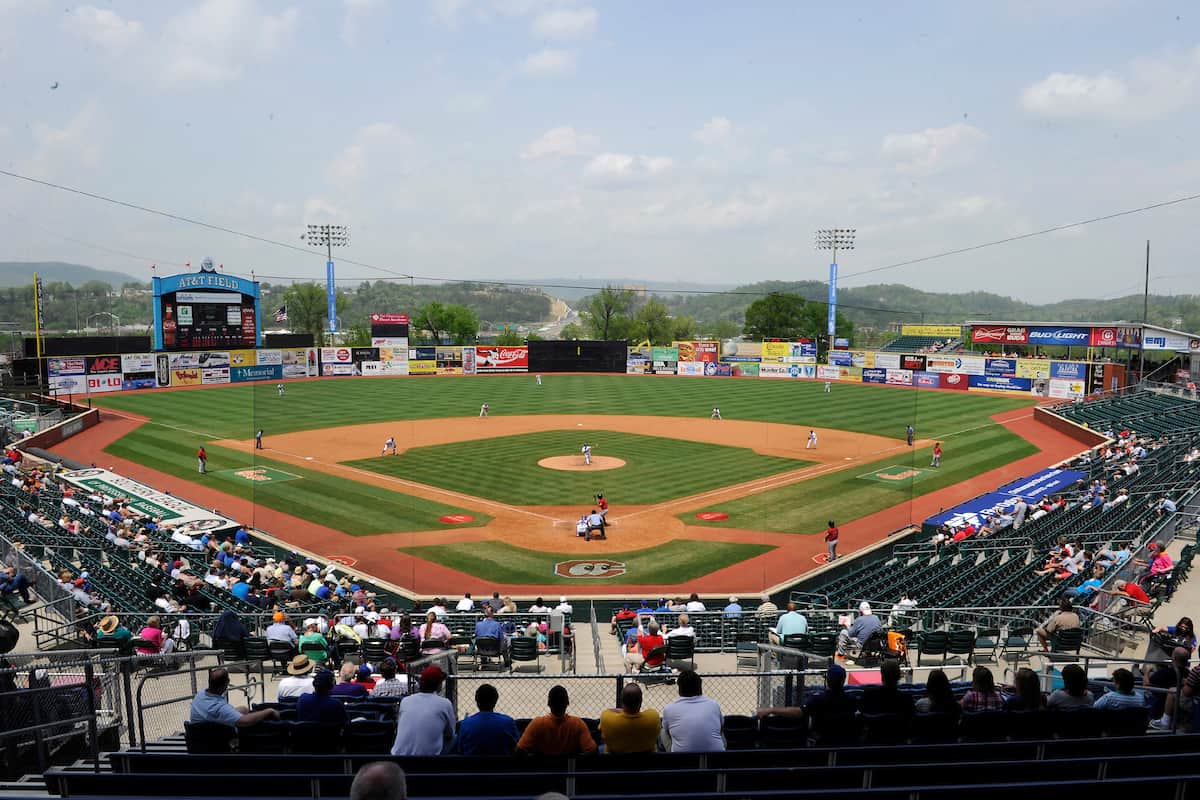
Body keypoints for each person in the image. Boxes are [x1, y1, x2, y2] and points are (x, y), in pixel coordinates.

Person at [391, 666, 455, 756]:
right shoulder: (444, 703)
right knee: (454, 738)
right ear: (438, 684)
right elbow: (450, 734)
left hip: (398, 757)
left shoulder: (405, 701)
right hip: (426, 761)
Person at [517, 685, 597, 756]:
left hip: (543, 770)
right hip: (569, 769)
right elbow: (592, 751)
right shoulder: (577, 724)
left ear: (548, 703)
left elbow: (520, 750)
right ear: (567, 703)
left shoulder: (537, 724)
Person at [190, 667, 279, 728]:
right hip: (215, 742)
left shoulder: (200, 695)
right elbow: (245, 721)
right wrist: (268, 711)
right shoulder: (219, 707)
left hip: (199, 736)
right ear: (226, 683)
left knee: (243, 709)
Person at [662, 670, 724, 752]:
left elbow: (666, 730)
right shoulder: (713, 704)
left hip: (683, 759)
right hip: (714, 758)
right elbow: (721, 727)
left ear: (680, 688)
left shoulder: (669, 709)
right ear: (700, 686)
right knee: (719, 731)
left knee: (662, 731)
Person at [453, 683, 518, 755]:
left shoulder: (466, 724)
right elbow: (516, 746)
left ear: (477, 702)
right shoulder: (508, 722)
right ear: (495, 702)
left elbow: (460, 749)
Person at [600, 683, 661, 754]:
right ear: (641, 701)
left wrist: (620, 711)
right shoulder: (653, 717)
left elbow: (608, 711)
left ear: (622, 702)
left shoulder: (606, 717)